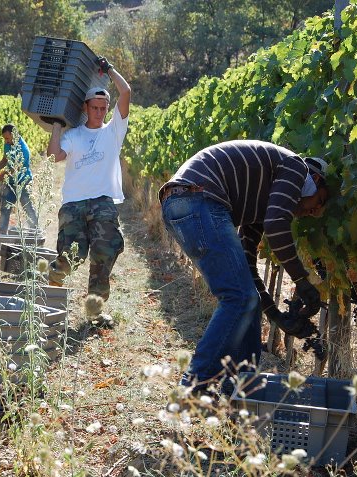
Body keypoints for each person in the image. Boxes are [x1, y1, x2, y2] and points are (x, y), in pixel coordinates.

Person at [159, 140, 329, 394]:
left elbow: (248, 266)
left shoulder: (261, 202)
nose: (314, 212)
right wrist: (301, 281)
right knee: (238, 298)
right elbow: (276, 225)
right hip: (197, 198)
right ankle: (193, 387)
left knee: (246, 297)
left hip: (181, 204)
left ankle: (241, 389)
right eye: (320, 200)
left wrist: (277, 316)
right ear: (315, 180)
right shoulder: (297, 168)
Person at [46, 56, 131, 323]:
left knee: (105, 253)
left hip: (103, 201)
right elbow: (54, 156)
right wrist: (57, 126)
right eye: (95, 107)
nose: (99, 112)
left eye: (103, 108)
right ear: (85, 107)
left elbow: (126, 92)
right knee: (71, 256)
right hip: (74, 203)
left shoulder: (114, 131)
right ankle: (49, 290)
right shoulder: (74, 135)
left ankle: (95, 309)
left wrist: (109, 70)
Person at [0, 124, 38, 234]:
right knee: (5, 206)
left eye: (7, 138)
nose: (5, 141)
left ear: (14, 135)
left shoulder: (23, 150)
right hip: (11, 181)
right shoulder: (8, 143)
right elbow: (5, 159)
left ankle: (35, 232)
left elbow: (13, 170)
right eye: (4, 139)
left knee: (27, 206)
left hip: (23, 181)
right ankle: (2, 232)